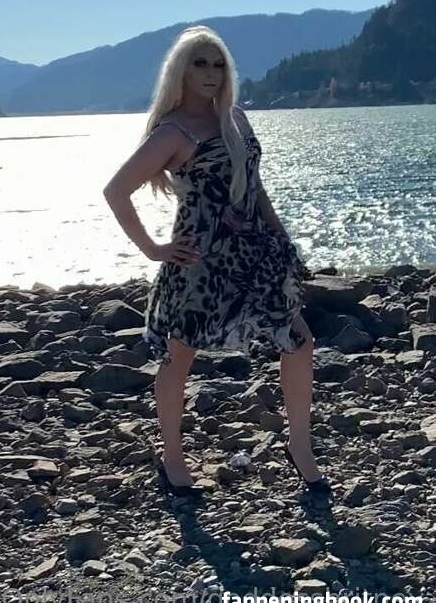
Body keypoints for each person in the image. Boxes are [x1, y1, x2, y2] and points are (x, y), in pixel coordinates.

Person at [103, 25, 331, 498]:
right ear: (181, 71)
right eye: (200, 63)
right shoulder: (174, 131)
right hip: (199, 262)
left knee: (299, 341)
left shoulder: (236, 119)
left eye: (218, 64)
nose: (211, 73)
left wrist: (281, 239)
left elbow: (255, 186)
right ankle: (171, 457)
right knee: (178, 357)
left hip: (255, 253)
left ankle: (299, 445)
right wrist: (153, 249)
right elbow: (116, 190)